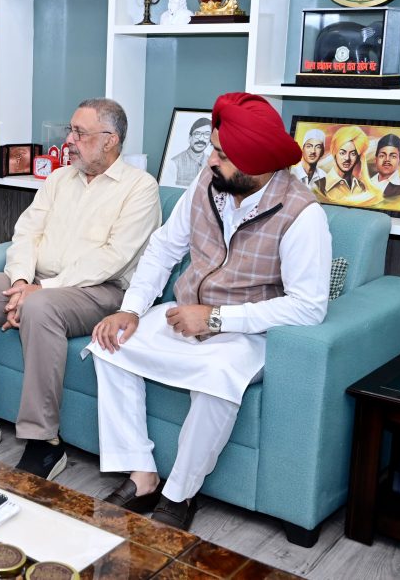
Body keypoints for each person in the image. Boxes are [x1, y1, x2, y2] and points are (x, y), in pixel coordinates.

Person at [88, 92, 331, 531]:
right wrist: (132, 309)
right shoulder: (208, 183)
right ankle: (142, 475)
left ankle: (180, 494)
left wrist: (217, 318)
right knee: (109, 342)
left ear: (256, 163)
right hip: (184, 315)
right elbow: (164, 248)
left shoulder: (302, 215)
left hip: (249, 333)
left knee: (218, 377)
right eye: (214, 149)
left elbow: (308, 307)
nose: (210, 160)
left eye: (222, 154)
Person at [0, 98, 161, 480]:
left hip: (99, 291)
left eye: (79, 133)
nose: (69, 140)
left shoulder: (140, 188)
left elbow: (113, 258)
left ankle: (44, 442)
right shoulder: (60, 179)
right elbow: (27, 233)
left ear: (110, 140)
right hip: (39, 283)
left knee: (41, 308)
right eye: (70, 131)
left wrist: (42, 290)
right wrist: (21, 282)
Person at [316, 125, 382, 207]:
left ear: (358, 157)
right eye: (342, 153)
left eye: (353, 154)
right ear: (334, 152)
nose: (347, 158)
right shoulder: (320, 186)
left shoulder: (362, 187)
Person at [168, 118, 212, 186]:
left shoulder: (212, 163)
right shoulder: (174, 163)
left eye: (207, 134)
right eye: (197, 134)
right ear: (190, 138)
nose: (201, 139)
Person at [369, 133, 400, 199]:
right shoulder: (364, 183)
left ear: (399, 161)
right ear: (376, 160)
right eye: (382, 156)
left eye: (393, 156)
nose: (387, 160)